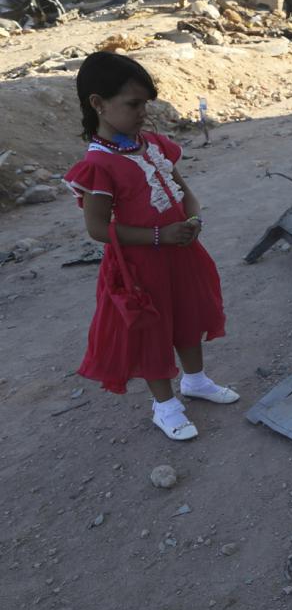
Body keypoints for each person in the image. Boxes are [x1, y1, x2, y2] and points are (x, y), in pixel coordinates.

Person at [63, 52, 236, 442]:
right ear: (98, 104)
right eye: (133, 104)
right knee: (152, 330)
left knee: (188, 316)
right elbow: (97, 228)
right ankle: (165, 405)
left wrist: (193, 221)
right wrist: (159, 237)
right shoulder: (99, 166)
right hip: (139, 267)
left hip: (180, 253)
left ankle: (195, 380)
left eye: (145, 103)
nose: (143, 113)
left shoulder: (153, 145)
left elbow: (184, 193)